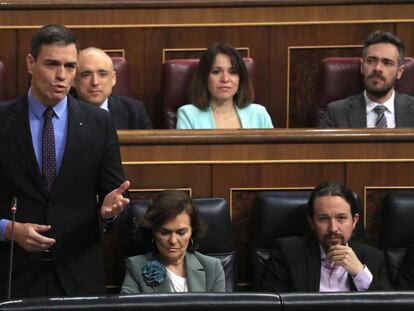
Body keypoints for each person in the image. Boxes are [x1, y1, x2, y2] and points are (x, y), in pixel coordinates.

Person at [0, 24, 130, 299]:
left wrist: (110, 212)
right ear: (30, 63)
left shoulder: (99, 122)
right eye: (52, 64)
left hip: (78, 273)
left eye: (70, 66)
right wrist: (8, 230)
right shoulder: (2, 121)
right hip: (12, 273)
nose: (62, 76)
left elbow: (114, 194)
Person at [259, 180, 391, 292]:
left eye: (341, 218)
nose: (333, 228)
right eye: (323, 219)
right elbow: (270, 305)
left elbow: (392, 305)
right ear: (311, 222)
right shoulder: (287, 253)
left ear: (354, 221)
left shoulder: (373, 258)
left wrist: (360, 274)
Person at [121, 191, 225, 293]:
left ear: (192, 231)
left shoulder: (212, 268)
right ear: (153, 231)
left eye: (181, 232)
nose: (173, 241)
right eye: (164, 232)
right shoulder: (136, 266)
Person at [320, 30, 414, 128]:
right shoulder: (337, 113)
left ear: (399, 71)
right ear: (362, 67)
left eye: (387, 63)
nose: (377, 68)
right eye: (371, 61)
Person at [176, 42, 273, 129]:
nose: (225, 79)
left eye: (233, 72)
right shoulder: (188, 115)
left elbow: (272, 149)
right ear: (204, 77)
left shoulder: (259, 114)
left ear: (240, 78)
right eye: (216, 72)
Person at [73, 47, 151, 130]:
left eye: (102, 74)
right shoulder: (62, 112)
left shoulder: (135, 111)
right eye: (86, 75)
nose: (95, 82)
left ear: (113, 78)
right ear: (73, 80)